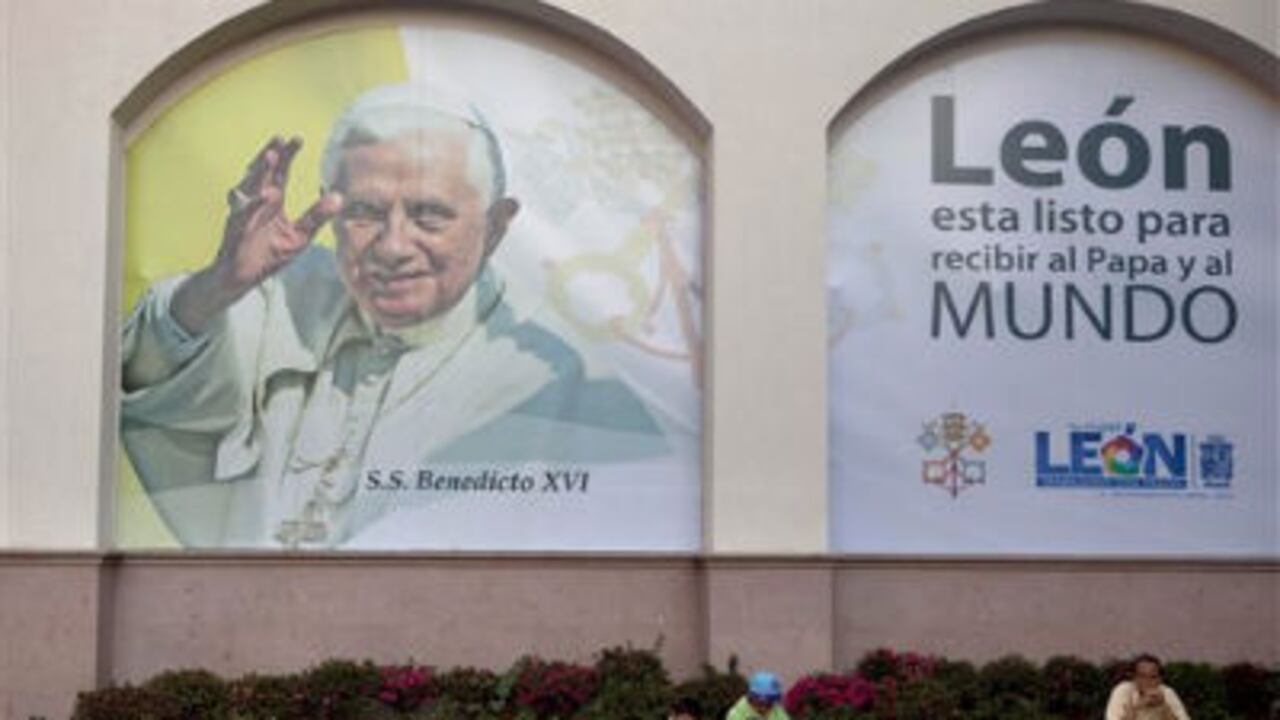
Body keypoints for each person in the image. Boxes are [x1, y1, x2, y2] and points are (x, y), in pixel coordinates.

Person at [121, 84, 669, 548]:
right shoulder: (280, 294)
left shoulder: (554, 369)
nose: (392, 246)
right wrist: (219, 285)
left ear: (496, 227)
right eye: (363, 212)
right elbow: (144, 370)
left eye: (429, 215)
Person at [1105, 654, 1191, 720]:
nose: (1148, 681)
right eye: (1142, 676)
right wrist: (1139, 706)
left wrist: (1163, 707)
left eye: (1153, 677)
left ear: (1160, 679)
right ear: (1134, 678)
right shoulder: (1122, 691)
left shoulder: (1167, 692)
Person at [726, 671, 790, 720]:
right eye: (759, 704)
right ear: (750, 699)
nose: (763, 708)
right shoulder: (738, 713)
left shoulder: (777, 712)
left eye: (768, 705)